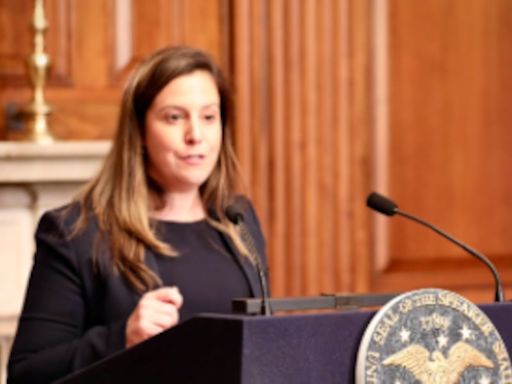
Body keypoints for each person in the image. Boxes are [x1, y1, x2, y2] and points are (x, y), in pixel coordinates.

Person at [7, 46, 268, 384]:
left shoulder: (237, 220)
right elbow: (26, 374)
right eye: (175, 117)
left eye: (208, 117)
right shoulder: (76, 232)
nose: (196, 136)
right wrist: (120, 339)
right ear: (140, 131)